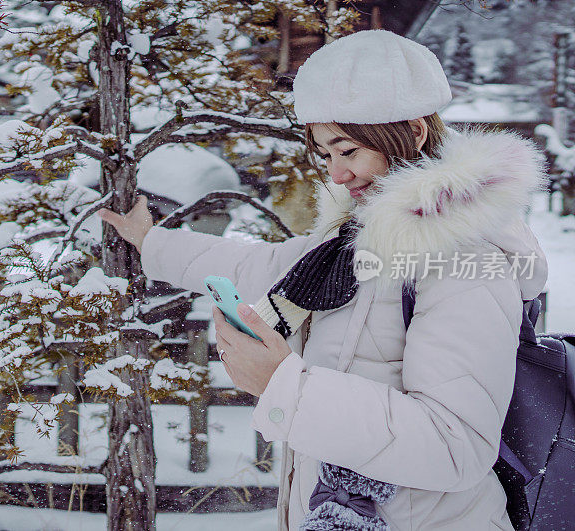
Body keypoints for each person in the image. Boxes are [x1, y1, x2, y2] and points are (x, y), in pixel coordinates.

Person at [97, 30, 547, 530]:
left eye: (348, 151)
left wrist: (283, 384)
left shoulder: (465, 258)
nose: (336, 174)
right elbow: (263, 266)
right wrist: (151, 242)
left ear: (414, 131)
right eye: (324, 155)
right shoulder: (352, 243)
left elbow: (454, 446)